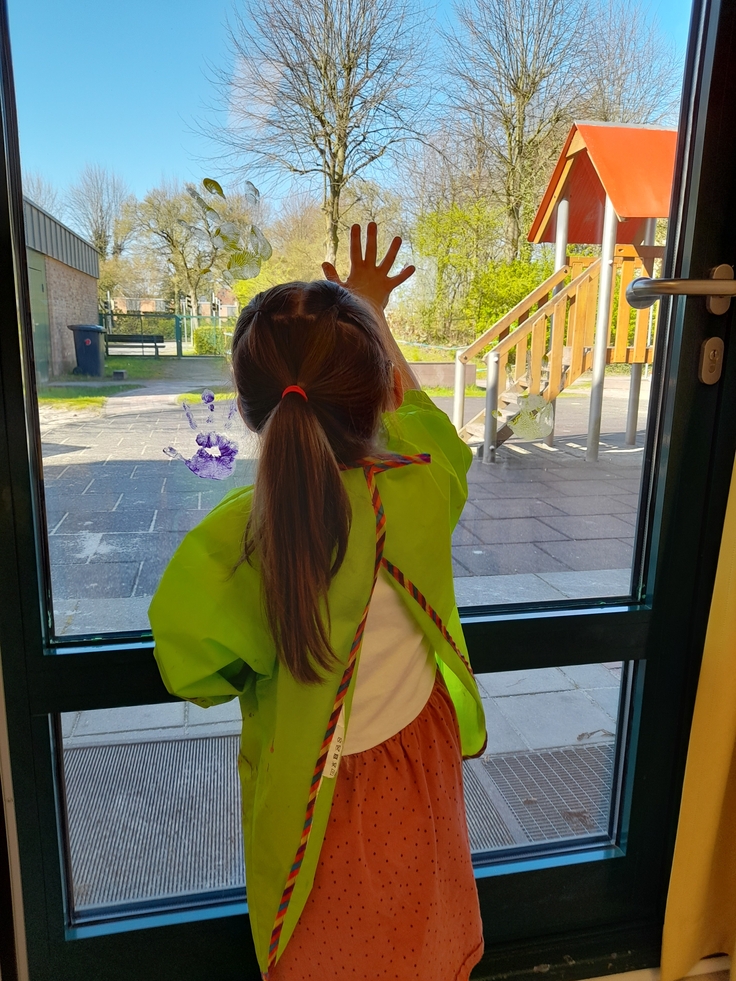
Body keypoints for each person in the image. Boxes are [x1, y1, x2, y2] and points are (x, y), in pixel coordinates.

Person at [149, 223, 487, 980]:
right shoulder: (419, 487)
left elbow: (190, 666)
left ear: (248, 410)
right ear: (387, 391)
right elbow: (436, 433)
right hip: (418, 765)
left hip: (317, 795)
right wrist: (371, 309)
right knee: (416, 937)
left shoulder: (237, 539)